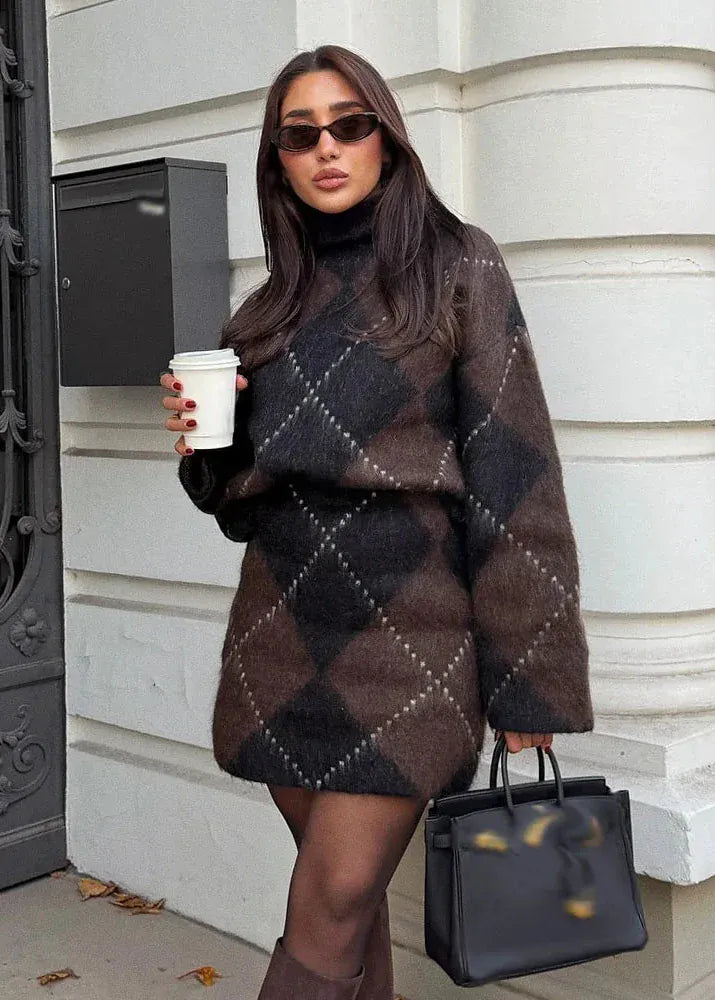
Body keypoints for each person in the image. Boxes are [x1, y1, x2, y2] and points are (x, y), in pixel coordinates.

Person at [160, 44, 594, 1000]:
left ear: (386, 141)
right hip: (281, 637)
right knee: (346, 912)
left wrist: (530, 686)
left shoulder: (457, 266)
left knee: (329, 907)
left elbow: (515, 479)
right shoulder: (268, 307)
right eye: (299, 134)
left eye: (349, 125)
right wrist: (204, 449)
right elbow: (236, 507)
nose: (326, 148)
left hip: (413, 642)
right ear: (277, 160)